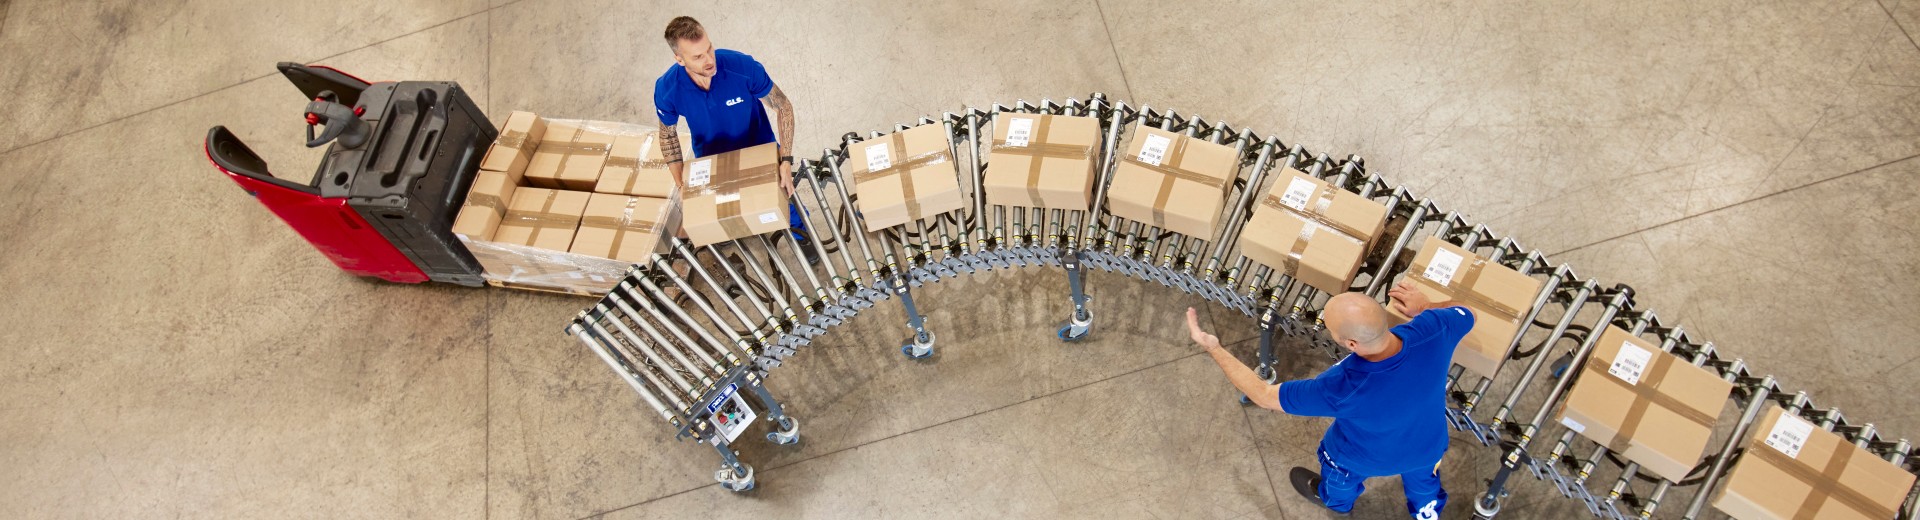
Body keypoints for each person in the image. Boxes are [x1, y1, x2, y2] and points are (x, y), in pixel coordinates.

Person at [1185, 280, 1472, 519]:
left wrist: (1214, 348)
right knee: (1425, 483)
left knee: (1338, 475)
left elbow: (1263, 395)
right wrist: (1424, 307)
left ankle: (1337, 502)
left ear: (1351, 344)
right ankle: (1427, 511)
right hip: (1428, 446)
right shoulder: (1433, 329)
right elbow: (1468, 313)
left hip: (1360, 458)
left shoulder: (1340, 387)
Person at [653, 16, 817, 263]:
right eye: (697, 57)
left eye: (709, 48)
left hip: (757, 148)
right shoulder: (668, 89)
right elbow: (667, 135)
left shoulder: (741, 67)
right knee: (721, 210)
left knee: (785, 194)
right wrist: (680, 183)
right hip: (712, 158)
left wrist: (786, 159)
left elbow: (783, 106)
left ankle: (800, 231)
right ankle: (730, 226)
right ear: (679, 59)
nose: (709, 60)